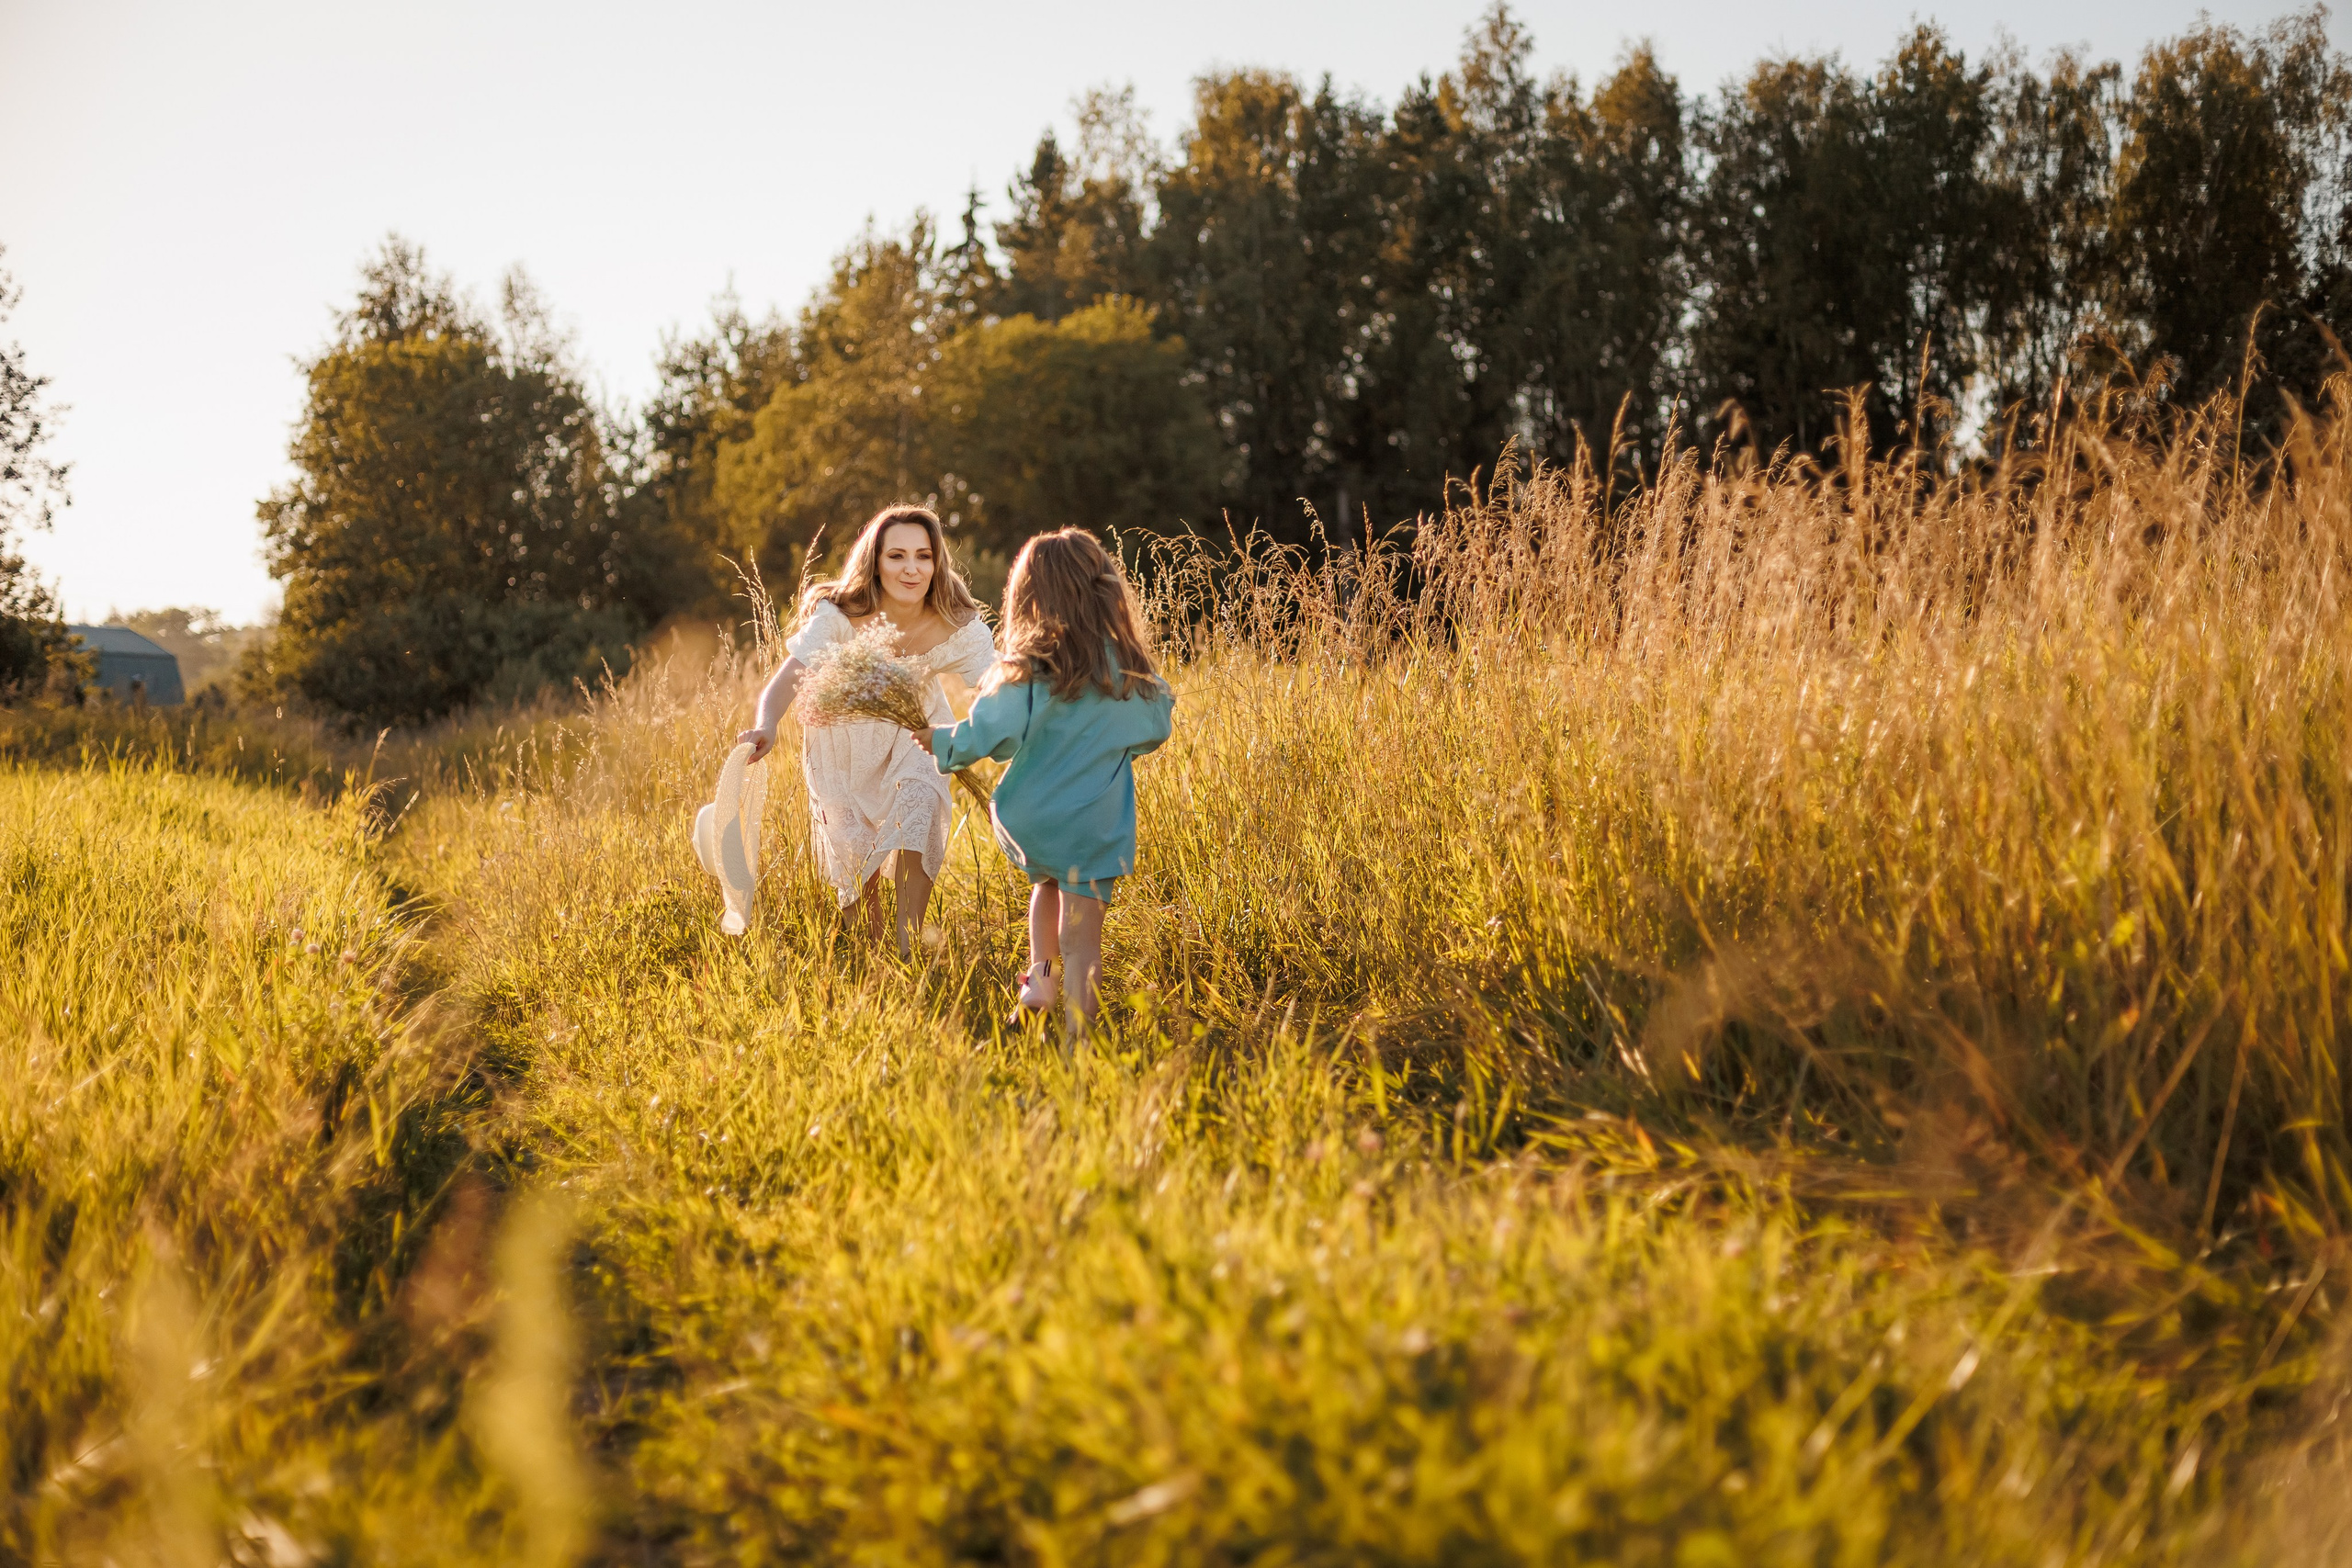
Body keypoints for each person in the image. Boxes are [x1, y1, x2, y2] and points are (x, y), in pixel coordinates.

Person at [911, 528, 1174, 1032]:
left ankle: (1041, 978)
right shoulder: (1123, 674)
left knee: (1046, 883)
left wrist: (942, 742)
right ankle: (1077, 1040)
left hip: (1029, 817)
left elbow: (991, 735)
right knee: (1083, 942)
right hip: (1091, 824)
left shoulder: (1025, 670)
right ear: (1104, 593)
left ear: (1027, 597)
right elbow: (1153, 731)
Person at [739, 504, 997, 953]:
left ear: (938, 562)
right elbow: (793, 673)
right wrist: (767, 723)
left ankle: (907, 946)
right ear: (875, 562)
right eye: (896, 556)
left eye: (923, 556)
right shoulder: (841, 615)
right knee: (858, 858)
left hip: (914, 732)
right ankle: (872, 952)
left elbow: (997, 686)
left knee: (918, 812)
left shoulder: (955, 622)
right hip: (841, 744)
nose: (911, 568)